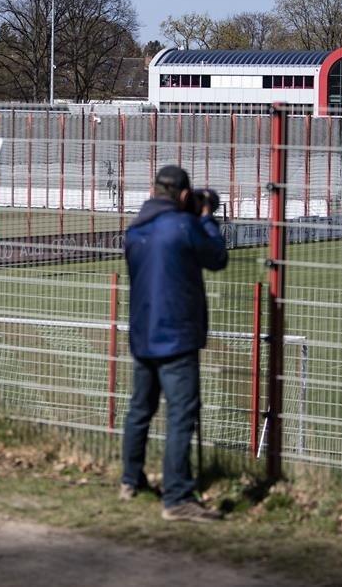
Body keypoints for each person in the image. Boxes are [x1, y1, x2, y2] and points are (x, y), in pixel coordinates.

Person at [120, 165, 228, 523]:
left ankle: (130, 479)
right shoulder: (184, 227)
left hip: (142, 332)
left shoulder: (134, 231)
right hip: (177, 336)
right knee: (181, 415)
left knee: (140, 409)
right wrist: (206, 216)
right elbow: (217, 257)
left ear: (153, 191)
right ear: (183, 196)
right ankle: (178, 496)